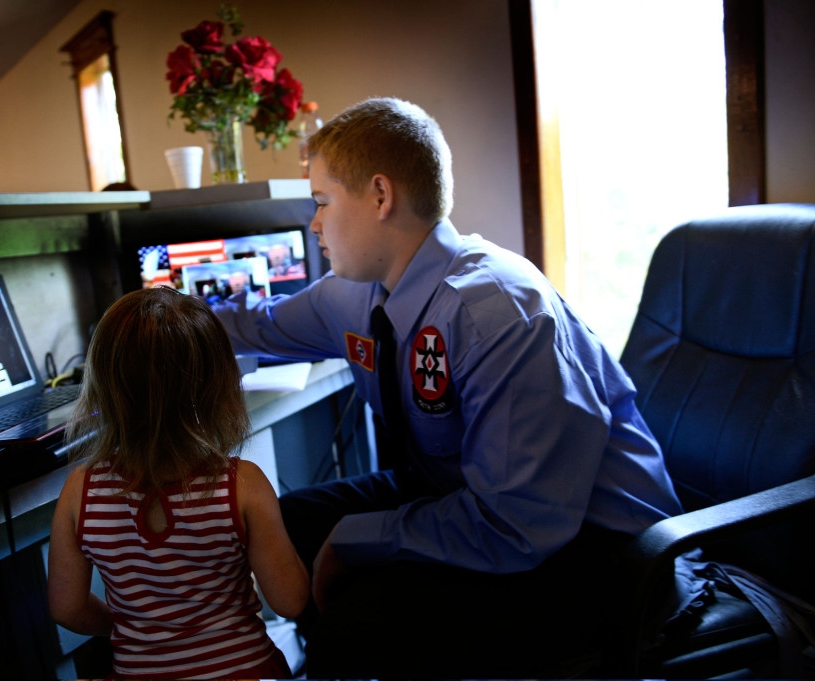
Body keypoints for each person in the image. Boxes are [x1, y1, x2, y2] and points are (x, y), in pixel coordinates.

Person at [213, 97, 684, 677]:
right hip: (469, 496)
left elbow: (519, 522)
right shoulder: (355, 293)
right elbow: (256, 324)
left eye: (321, 202)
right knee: (286, 527)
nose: (313, 224)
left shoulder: (498, 313)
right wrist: (148, 321)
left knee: (360, 615)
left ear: (380, 197)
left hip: (596, 552)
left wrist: (360, 538)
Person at [47, 287, 309, 680]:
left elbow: (67, 608)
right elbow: (290, 600)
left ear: (102, 385)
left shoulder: (79, 490)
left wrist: (131, 629)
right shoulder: (241, 485)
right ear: (219, 385)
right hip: (244, 669)